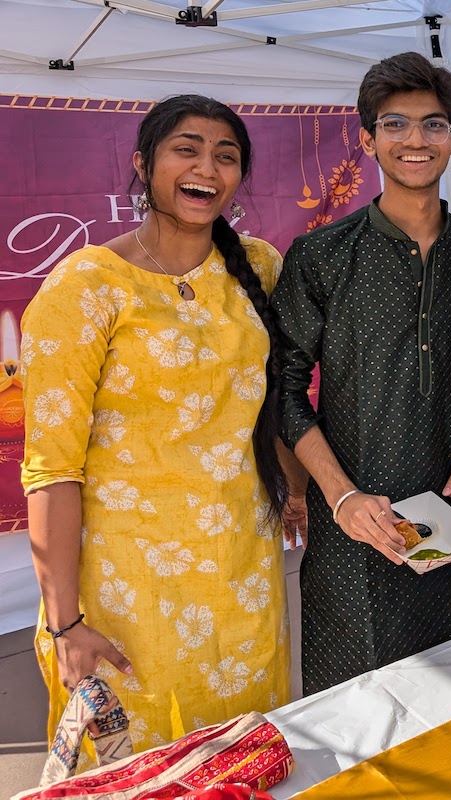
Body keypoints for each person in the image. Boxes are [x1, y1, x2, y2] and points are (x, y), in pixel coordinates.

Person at [21, 94, 303, 753]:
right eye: (187, 148)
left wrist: (292, 484)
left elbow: (271, 395)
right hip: (123, 592)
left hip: (240, 573)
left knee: (243, 762)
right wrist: (66, 625)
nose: (207, 166)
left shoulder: (258, 266)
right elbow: (52, 467)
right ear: (143, 165)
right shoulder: (84, 287)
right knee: (138, 774)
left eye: (226, 156)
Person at [271, 52, 451, 695]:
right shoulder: (320, 254)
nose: (416, 140)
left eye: (434, 125)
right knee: (365, 710)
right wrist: (340, 496)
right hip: (358, 527)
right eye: (396, 124)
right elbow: (284, 391)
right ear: (367, 138)